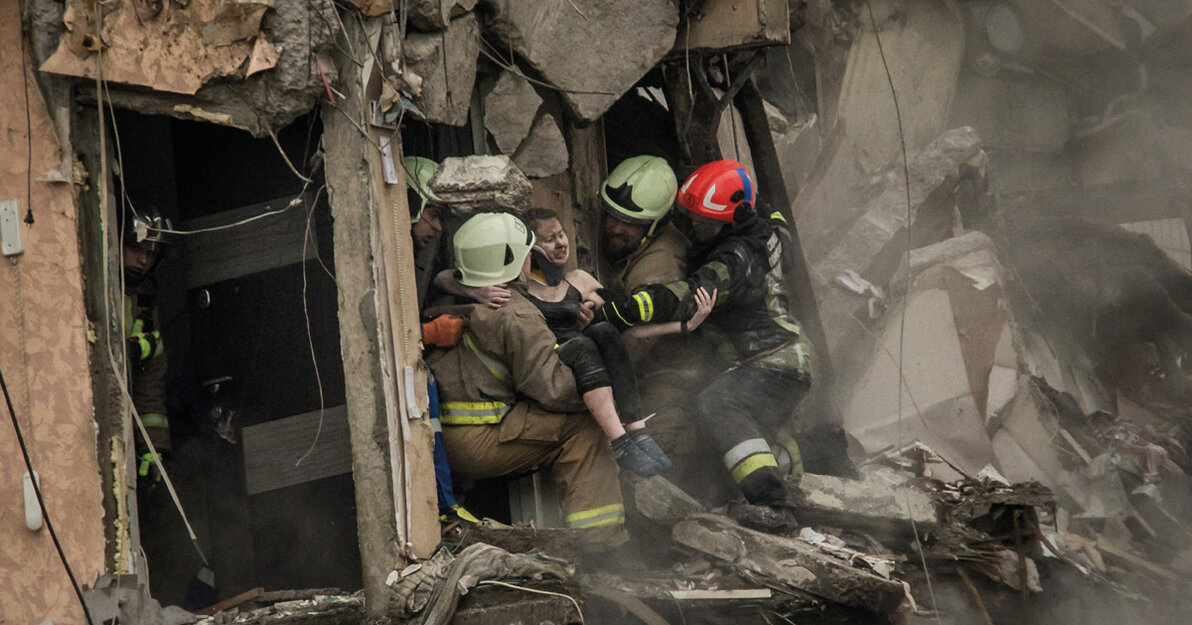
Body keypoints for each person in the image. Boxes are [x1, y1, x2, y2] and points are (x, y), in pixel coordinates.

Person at [598, 160, 814, 530]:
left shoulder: (735, 259)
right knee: (726, 408)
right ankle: (781, 470)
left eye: (705, 221)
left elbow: (692, 294)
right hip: (773, 360)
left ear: (732, 219)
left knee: (719, 403)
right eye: (692, 216)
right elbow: (772, 218)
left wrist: (630, 309)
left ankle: (773, 504)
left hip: (772, 360)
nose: (694, 225)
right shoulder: (765, 230)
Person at [439, 208, 715, 476]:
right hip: (557, 374)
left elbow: (626, 332)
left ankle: (637, 433)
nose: (560, 244)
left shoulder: (580, 282)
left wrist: (684, 325)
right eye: (549, 240)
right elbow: (445, 278)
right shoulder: (515, 295)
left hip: (595, 376)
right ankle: (621, 444)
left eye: (561, 234)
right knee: (582, 348)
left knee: (604, 331)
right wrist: (474, 290)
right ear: (530, 251)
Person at [424, 212, 627, 544]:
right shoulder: (516, 314)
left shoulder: (452, 296)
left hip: (441, 439)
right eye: (528, 252)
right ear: (514, 259)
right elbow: (552, 389)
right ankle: (602, 544)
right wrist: (598, 391)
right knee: (584, 428)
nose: (533, 258)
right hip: (477, 440)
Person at [403, 155, 480, 525]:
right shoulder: (382, 252)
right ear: (407, 202)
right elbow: (377, 334)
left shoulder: (415, 249)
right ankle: (442, 511)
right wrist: (427, 334)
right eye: (431, 215)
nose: (435, 228)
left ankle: (446, 505)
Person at [123, 206, 174, 479]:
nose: (144, 260)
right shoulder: (99, 289)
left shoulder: (145, 299)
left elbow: (152, 382)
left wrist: (155, 448)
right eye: (136, 249)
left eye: (151, 254)